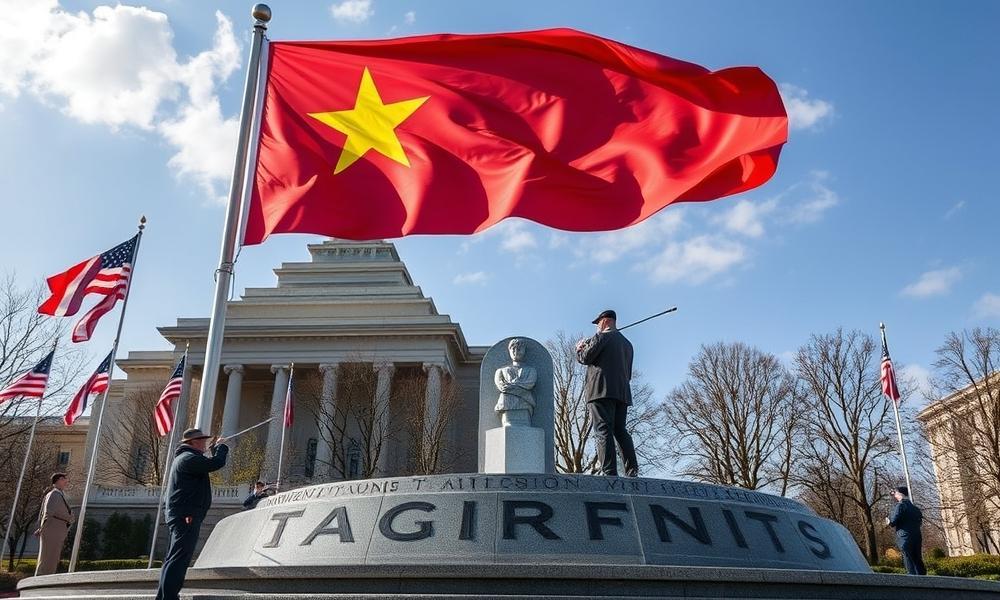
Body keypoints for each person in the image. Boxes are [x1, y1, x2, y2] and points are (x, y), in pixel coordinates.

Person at [156, 428, 229, 600]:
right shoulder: (188, 459)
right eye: (202, 440)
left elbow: (205, 462)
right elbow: (215, 464)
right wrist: (222, 448)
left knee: (173, 558)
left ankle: (164, 597)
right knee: (179, 559)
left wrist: (214, 448)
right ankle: (169, 597)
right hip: (186, 515)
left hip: (181, 514)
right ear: (193, 443)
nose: (204, 443)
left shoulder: (185, 458)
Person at [575, 309, 638, 477]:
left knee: (603, 429)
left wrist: (580, 348)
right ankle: (632, 470)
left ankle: (609, 472)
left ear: (604, 321)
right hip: (622, 392)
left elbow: (585, 358)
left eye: (597, 324)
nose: (597, 327)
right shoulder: (628, 344)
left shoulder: (601, 337)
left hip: (600, 390)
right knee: (620, 430)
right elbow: (628, 374)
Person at [33, 473, 73, 576]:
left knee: (52, 557)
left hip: (56, 530)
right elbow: (48, 512)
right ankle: (42, 580)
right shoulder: (54, 494)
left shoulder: (58, 494)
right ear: (59, 480)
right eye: (64, 479)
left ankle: (45, 578)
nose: (66, 482)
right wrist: (42, 528)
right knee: (48, 558)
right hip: (52, 530)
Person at [887, 485, 926, 575]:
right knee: (917, 558)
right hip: (917, 536)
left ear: (900, 494)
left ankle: (912, 580)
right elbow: (919, 522)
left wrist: (888, 521)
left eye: (895, 493)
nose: (895, 496)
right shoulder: (916, 509)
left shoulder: (900, 506)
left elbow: (893, 521)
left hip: (904, 537)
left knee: (908, 557)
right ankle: (923, 579)